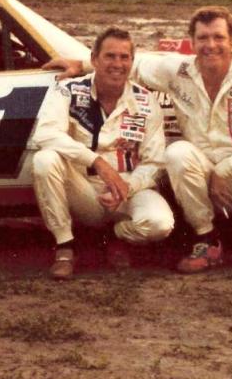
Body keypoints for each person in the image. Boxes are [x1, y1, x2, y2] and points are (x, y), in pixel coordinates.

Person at [46, 7, 232, 272]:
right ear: (192, 41)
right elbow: (134, 64)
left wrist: (227, 169)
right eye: (202, 38)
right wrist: (81, 65)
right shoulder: (179, 71)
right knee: (177, 152)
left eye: (218, 37)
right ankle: (207, 239)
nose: (210, 45)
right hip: (202, 173)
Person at [31, 28, 173, 279]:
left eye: (124, 57)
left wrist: (127, 186)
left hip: (129, 189)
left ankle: (113, 237)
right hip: (85, 189)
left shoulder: (146, 101)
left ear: (132, 61)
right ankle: (65, 246)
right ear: (94, 59)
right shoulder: (68, 89)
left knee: (159, 224)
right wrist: (96, 162)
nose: (117, 64)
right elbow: (45, 134)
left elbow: (154, 162)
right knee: (45, 159)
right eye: (109, 56)